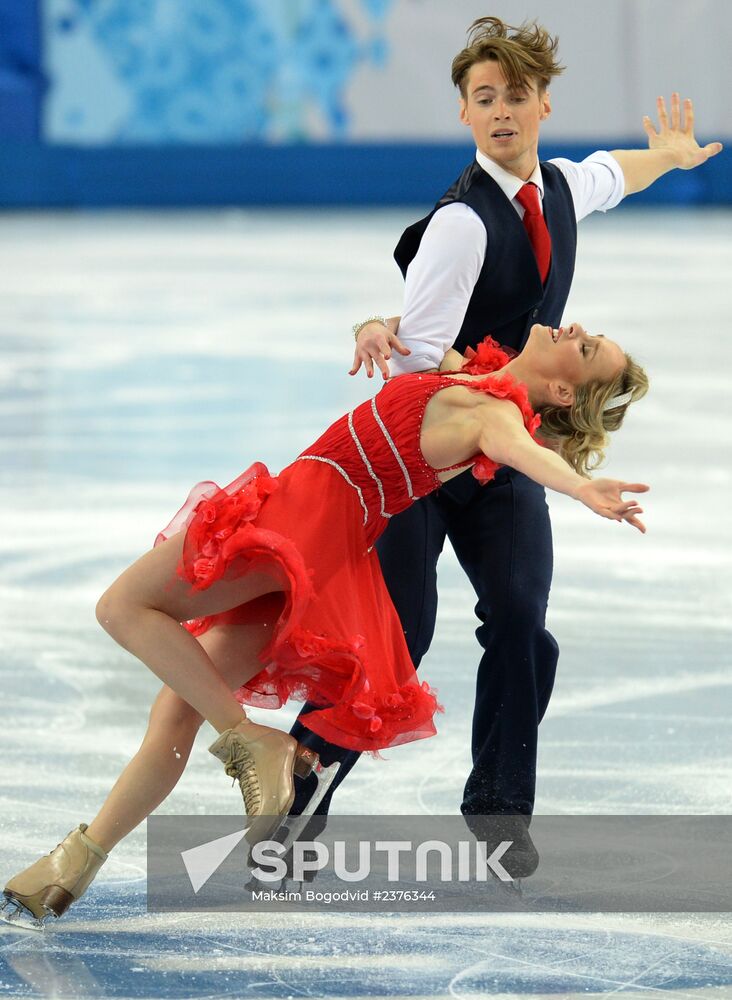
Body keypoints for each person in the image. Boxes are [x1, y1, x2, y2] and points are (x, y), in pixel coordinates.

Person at [2, 320, 648, 926]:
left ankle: (252, 740)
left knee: (123, 606)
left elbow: (521, 452)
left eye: (587, 348)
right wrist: (373, 327)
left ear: (562, 388)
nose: (576, 329)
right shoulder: (474, 377)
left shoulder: (493, 413)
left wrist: (581, 489)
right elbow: (415, 330)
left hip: (295, 523)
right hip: (322, 550)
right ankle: (75, 863)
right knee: (176, 712)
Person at [286, 17, 722, 870]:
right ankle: (302, 786)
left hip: (503, 446)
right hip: (427, 449)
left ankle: (497, 811)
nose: (501, 111)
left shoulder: (556, 188)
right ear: (464, 114)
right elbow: (415, 352)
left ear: (542, 104)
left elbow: (609, 176)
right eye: (483, 98)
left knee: (522, 621)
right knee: (399, 632)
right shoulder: (461, 224)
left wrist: (667, 157)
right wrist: (452, 356)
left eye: (515, 96)